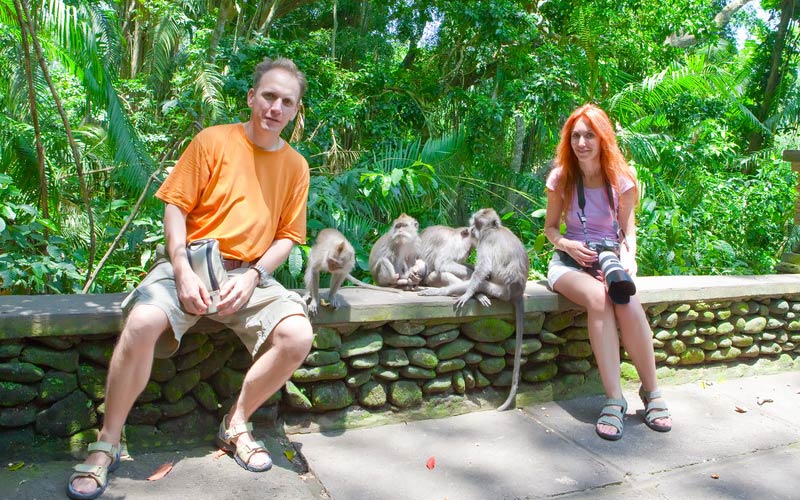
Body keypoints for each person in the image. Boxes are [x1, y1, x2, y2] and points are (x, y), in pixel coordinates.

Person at [67, 57, 314, 499]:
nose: (275, 107)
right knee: (142, 322)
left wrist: (256, 275)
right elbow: (176, 206)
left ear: (295, 111)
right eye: (269, 96)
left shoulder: (296, 166)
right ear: (251, 97)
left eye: (286, 101)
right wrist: (180, 268)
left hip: (249, 276)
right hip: (193, 263)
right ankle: (107, 443)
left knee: (297, 335)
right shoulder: (212, 141)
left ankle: (236, 423)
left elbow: (288, 238)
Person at [543, 104, 672, 441]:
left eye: (589, 135)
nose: (582, 142)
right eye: (576, 136)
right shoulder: (561, 178)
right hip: (568, 264)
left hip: (610, 262)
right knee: (599, 300)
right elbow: (550, 230)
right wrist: (568, 245)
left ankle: (652, 392)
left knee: (627, 302)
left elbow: (629, 232)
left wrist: (629, 259)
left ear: (603, 139)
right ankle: (614, 399)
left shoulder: (622, 179)